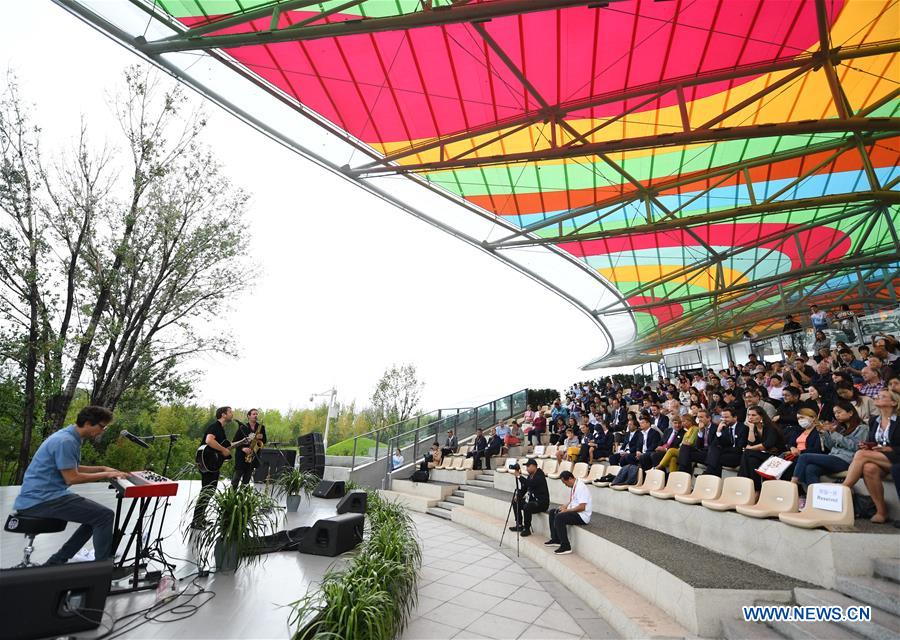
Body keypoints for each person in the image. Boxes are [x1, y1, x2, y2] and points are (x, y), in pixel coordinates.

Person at [13, 406, 126, 565]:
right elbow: (71, 477)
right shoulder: (66, 441)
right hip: (41, 500)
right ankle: (102, 568)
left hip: (43, 497)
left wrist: (102, 468)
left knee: (95, 516)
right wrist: (106, 475)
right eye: (102, 426)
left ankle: (57, 562)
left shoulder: (70, 436)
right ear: (88, 423)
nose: (103, 431)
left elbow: (70, 467)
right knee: (104, 516)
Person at [842, 389, 900, 523]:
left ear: (893, 402)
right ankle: (881, 511)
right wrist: (868, 445)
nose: (877, 397)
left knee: (861, 455)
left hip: (896, 456)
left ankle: (844, 488)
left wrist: (889, 448)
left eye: (882, 396)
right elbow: (873, 441)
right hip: (880, 457)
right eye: (877, 395)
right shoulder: (874, 420)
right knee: (868, 468)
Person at [791, 401, 866, 494]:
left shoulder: (862, 428)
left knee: (804, 456)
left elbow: (855, 447)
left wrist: (834, 433)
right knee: (810, 468)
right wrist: (824, 433)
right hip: (833, 457)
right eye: (835, 413)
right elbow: (830, 446)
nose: (836, 415)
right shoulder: (841, 428)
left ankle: (792, 487)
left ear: (850, 413)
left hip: (846, 460)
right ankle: (815, 499)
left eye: (839, 412)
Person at [192, 406, 234, 529]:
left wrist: (241, 442)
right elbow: (209, 441)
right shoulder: (215, 426)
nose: (232, 414)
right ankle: (196, 521)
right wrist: (223, 450)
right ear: (223, 414)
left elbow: (223, 446)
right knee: (206, 492)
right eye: (230, 412)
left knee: (208, 491)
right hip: (208, 462)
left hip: (212, 464)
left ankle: (200, 518)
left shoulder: (221, 429)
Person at [738, 406, 785, 491]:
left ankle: (743, 484)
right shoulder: (752, 427)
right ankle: (756, 489)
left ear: (761, 416)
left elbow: (766, 445)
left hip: (776, 456)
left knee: (748, 453)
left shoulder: (771, 428)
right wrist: (751, 429)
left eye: (753, 415)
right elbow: (750, 443)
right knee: (752, 460)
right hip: (761, 454)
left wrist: (750, 448)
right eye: (749, 415)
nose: (750, 417)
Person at [544, 470, 591, 555]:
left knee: (559, 517)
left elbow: (582, 507)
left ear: (570, 479)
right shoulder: (575, 485)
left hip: (582, 516)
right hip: (575, 511)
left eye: (565, 483)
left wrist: (567, 510)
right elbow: (573, 501)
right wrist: (565, 506)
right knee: (553, 512)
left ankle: (566, 546)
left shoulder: (581, 487)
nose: (565, 485)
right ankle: (556, 539)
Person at [510, 458, 549, 537]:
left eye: (528, 466)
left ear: (534, 466)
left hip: (541, 503)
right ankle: (519, 524)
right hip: (532, 500)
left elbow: (530, 484)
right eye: (526, 466)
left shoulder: (540, 475)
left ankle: (527, 529)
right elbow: (525, 488)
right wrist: (518, 496)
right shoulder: (530, 476)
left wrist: (519, 477)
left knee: (527, 506)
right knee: (515, 502)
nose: (527, 468)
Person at [706, 407, 748, 476]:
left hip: (738, 456)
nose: (724, 420)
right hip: (726, 454)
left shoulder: (743, 427)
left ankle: (708, 476)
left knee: (714, 458)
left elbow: (740, 448)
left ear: (735, 417)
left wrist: (723, 450)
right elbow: (713, 445)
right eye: (723, 417)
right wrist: (718, 431)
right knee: (714, 454)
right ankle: (711, 477)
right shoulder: (724, 427)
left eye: (727, 417)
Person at [231, 408, 267, 488]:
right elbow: (234, 442)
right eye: (254, 414)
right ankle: (232, 498)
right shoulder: (243, 427)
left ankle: (242, 498)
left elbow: (264, 441)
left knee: (246, 480)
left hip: (253, 456)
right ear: (248, 416)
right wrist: (242, 448)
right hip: (241, 456)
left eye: (257, 414)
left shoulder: (261, 427)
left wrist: (261, 437)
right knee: (236, 479)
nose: (256, 415)